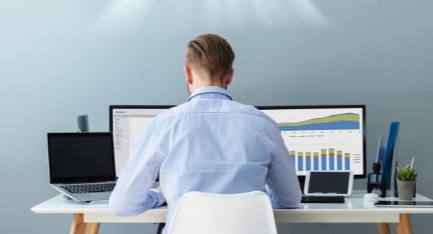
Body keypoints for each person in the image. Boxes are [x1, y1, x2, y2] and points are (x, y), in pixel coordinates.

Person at [108, 33, 302, 233]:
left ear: (188, 74)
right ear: (230, 75)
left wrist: (159, 196)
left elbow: (122, 205)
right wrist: (256, 197)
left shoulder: (163, 125)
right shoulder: (263, 124)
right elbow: (290, 200)